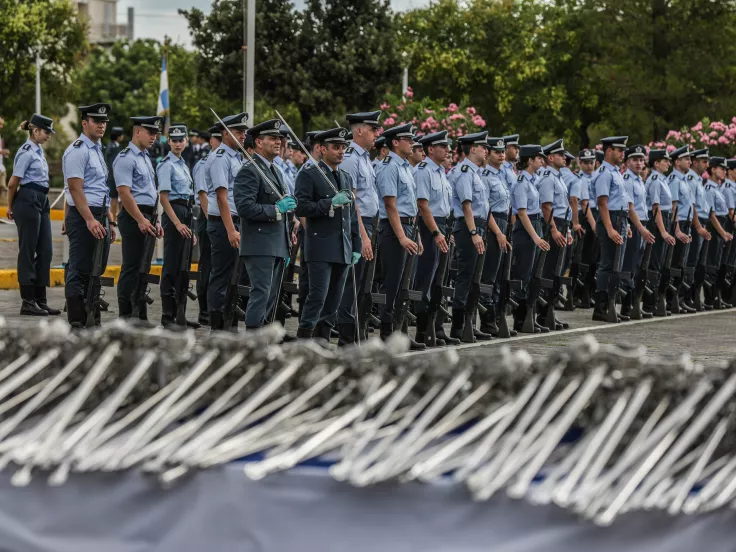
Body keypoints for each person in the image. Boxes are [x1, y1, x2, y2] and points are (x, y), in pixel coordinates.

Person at [294, 128, 360, 339]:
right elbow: (302, 207)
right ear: (322, 149)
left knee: (334, 301)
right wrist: (329, 203)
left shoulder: (346, 177)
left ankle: (322, 340)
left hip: (342, 247)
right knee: (317, 298)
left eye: (343, 147)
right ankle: (304, 341)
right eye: (336, 147)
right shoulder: (309, 173)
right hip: (320, 247)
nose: (341, 151)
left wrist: (356, 245)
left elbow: (351, 216)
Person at [233, 119, 294, 330]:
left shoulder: (275, 170)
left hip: (276, 244)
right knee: (261, 295)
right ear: (258, 142)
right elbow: (245, 207)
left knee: (271, 298)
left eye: (279, 138)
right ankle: (252, 342)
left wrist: (287, 238)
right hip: (259, 244)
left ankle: (262, 341)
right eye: (272, 138)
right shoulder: (250, 170)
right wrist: (276, 209)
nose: (278, 142)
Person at [62, 103, 116, 328]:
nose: (101, 125)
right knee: (80, 269)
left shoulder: (97, 149)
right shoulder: (78, 150)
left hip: (99, 214)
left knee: (96, 269)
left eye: (104, 122)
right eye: (97, 121)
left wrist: (109, 219)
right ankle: (77, 322)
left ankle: (92, 317)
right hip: (85, 216)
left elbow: (100, 188)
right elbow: (75, 189)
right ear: (85, 123)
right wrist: (89, 219)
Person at [374, 123, 424, 349]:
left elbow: (411, 206)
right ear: (395, 142)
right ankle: (387, 333)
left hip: (408, 226)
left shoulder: (405, 167)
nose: (412, 143)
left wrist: (416, 235)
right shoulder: (389, 167)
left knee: (406, 284)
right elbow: (389, 204)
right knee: (392, 283)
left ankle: (401, 332)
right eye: (408, 139)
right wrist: (403, 237)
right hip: (394, 230)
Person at [335, 111, 381, 344]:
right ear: (359, 130)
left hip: (371, 226)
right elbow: (352, 203)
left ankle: (357, 333)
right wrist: (363, 237)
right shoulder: (352, 159)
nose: (377, 134)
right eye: (373, 130)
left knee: (364, 284)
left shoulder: (365, 158)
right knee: (352, 285)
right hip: (358, 229)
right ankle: (347, 338)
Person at [7, 114, 59, 316]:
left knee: (45, 250)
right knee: (28, 251)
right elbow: (13, 183)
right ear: (35, 130)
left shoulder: (38, 151)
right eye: (46, 132)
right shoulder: (26, 152)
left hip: (42, 200)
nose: (49, 136)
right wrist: (10, 207)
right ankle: (27, 301)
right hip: (28, 199)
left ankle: (40, 300)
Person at [204, 113, 248, 330]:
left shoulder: (235, 157)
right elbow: (222, 197)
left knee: (234, 275)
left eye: (244, 132)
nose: (243, 135)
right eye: (239, 131)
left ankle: (229, 320)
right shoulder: (221, 157)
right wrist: (231, 230)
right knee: (221, 275)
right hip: (223, 224)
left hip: (233, 222)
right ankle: (217, 325)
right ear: (225, 133)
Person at [447, 131, 492, 342]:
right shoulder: (465, 171)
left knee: (475, 279)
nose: (486, 150)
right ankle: (458, 327)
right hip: (468, 228)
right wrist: (474, 232)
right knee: (465, 278)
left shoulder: (475, 173)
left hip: (478, 226)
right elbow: (467, 205)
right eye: (483, 147)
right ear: (472, 149)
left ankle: (469, 325)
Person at [412, 131, 456, 346]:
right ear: (430, 149)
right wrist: (436, 233)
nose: (447, 150)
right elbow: (423, 206)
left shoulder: (441, 172)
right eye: (442, 146)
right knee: (426, 281)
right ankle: (423, 330)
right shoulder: (423, 171)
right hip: (430, 228)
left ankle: (436, 329)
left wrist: (446, 232)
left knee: (440, 281)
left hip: (442, 226)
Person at [156, 123, 199, 329]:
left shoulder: (183, 164)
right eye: (174, 140)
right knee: (172, 266)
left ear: (186, 141)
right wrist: (177, 223)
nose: (178, 143)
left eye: (181, 140)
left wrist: (189, 227)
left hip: (186, 213)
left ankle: (180, 315)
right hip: (174, 214)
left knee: (184, 267)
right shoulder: (167, 164)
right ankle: (168, 316)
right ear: (169, 142)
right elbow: (164, 198)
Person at [510, 145, 550, 333]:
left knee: (534, 275)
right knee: (523, 275)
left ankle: (529, 318)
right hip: (526, 230)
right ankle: (519, 319)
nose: (542, 161)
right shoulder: (521, 182)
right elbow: (522, 213)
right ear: (529, 160)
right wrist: (535, 237)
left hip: (535, 225)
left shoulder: (532, 181)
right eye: (538, 158)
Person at [591, 136, 630, 323]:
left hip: (620, 219)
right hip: (611, 219)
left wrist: (625, 225)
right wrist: (610, 229)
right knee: (607, 265)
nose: (622, 153)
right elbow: (602, 203)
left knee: (616, 266)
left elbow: (620, 202)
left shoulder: (616, 172)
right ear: (608, 151)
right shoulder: (604, 173)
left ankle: (610, 305)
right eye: (619, 150)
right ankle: (601, 307)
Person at [478, 137, 512, 336]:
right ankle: (487, 320)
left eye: (502, 151)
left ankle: (497, 318)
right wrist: (498, 232)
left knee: (499, 276)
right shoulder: (485, 176)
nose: (501, 154)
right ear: (488, 154)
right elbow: (487, 208)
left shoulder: (500, 175)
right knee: (489, 275)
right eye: (496, 151)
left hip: (503, 223)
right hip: (492, 225)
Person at [536, 139, 572, 330]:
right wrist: (555, 230)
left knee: (558, 272)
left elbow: (562, 208)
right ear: (550, 158)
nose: (564, 157)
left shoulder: (558, 177)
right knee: (549, 271)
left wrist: (566, 230)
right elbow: (546, 207)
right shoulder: (549, 178)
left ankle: (550, 313)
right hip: (552, 225)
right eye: (560, 155)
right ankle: (542, 314)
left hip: (561, 224)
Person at [621, 146, 656, 317]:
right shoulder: (627, 179)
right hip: (633, 225)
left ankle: (634, 304)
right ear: (627, 162)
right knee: (629, 266)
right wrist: (641, 229)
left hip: (642, 223)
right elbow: (629, 207)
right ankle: (626, 307)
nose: (639, 163)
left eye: (641, 160)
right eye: (635, 160)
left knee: (638, 267)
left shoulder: (639, 179)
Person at [192, 124, 221, 326]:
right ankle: (205, 311)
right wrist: (211, 220)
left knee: (219, 267)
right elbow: (203, 196)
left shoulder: (224, 161)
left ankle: (217, 307)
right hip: (208, 216)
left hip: (221, 216)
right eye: (217, 139)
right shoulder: (204, 164)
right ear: (211, 141)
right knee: (207, 265)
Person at [644, 148, 677, 316]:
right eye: (665, 160)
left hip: (664, 219)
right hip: (657, 221)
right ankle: (650, 303)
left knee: (661, 263)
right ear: (656, 163)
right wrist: (663, 232)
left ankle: (656, 300)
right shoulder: (655, 180)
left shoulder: (662, 179)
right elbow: (655, 208)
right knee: (655, 263)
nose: (668, 163)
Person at [702, 157, 734, 307]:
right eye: (721, 169)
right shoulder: (709, 188)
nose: (724, 172)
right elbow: (711, 214)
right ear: (713, 169)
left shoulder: (717, 188)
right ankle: (710, 298)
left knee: (719, 264)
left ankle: (717, 297)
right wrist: (722, 232)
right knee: (712, 264)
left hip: (722, 227)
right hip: (715, 229)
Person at [105, 126, 124, 217]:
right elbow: (112, 164)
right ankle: (113, 218)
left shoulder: (116, 146)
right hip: (113, 177)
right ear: (117, 136)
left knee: (118, 199)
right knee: (114, 199)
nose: (122, 137)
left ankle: (116, 217)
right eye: (121, 135)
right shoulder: (112, 147)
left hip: (116, 176)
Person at [0, 117, 9, 197]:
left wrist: (3, 152)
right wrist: (2, 151)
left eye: (2, 124)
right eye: (0, 124)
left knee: (2, 186)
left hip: (1, 166)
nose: (1, 126)